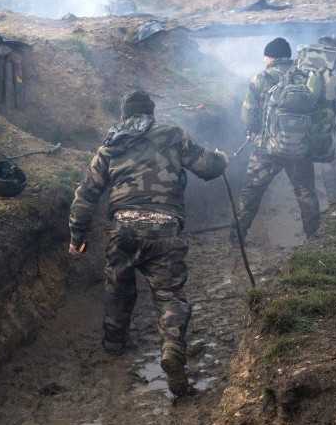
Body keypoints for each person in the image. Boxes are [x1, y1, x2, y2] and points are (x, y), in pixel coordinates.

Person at [68, 91, 228, 397]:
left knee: (118, 287)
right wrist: (222, 158)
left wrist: (77, 237)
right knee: (169, 296)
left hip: (123, 227)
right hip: (165, 227)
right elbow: (208, 167)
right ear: (151, 114)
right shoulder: (173, 134)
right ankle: (171, 348)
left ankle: (114, 345)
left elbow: (86, 194)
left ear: (124, 115)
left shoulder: (110, 146)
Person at [233, 37, 321, 243]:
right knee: (305, 192)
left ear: (269, 57)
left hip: (266, 150)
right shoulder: (306, 77)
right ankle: (314, 238)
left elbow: (248, 115)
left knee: (251, 191)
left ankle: (237, 236)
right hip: (300, 147)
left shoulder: (260, 78)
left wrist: (252, 132)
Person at [295, 36, 336, 202]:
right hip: (324, 119)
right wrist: (333, 110)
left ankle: (307, 200)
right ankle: (334, 199)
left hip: (296, 118)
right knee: (328, 158)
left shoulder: (304, 59)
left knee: (301, 158)